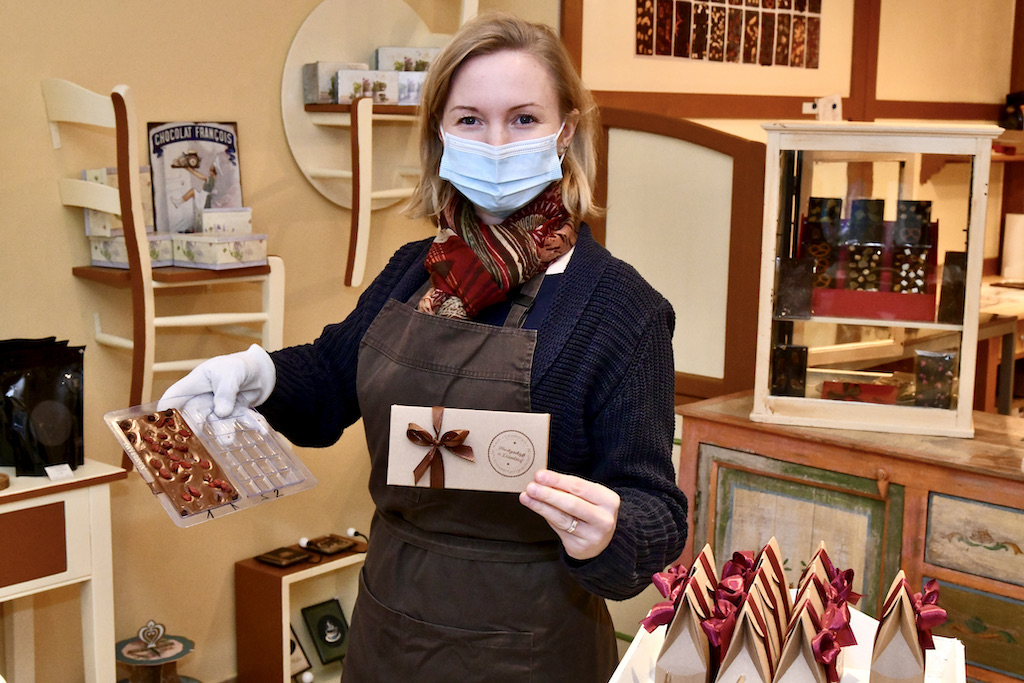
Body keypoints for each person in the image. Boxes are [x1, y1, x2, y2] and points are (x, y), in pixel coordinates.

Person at [162, 11, 687, 682]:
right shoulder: (415, 271)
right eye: (470, 119)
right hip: (389, 633)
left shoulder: (619, 309)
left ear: (566, 132)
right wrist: (258, 372)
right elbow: (329, 379)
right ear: (440, 135)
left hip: (531, 650)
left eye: (523, 119)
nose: (496, 141)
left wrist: (615, 532)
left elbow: (656, 507)